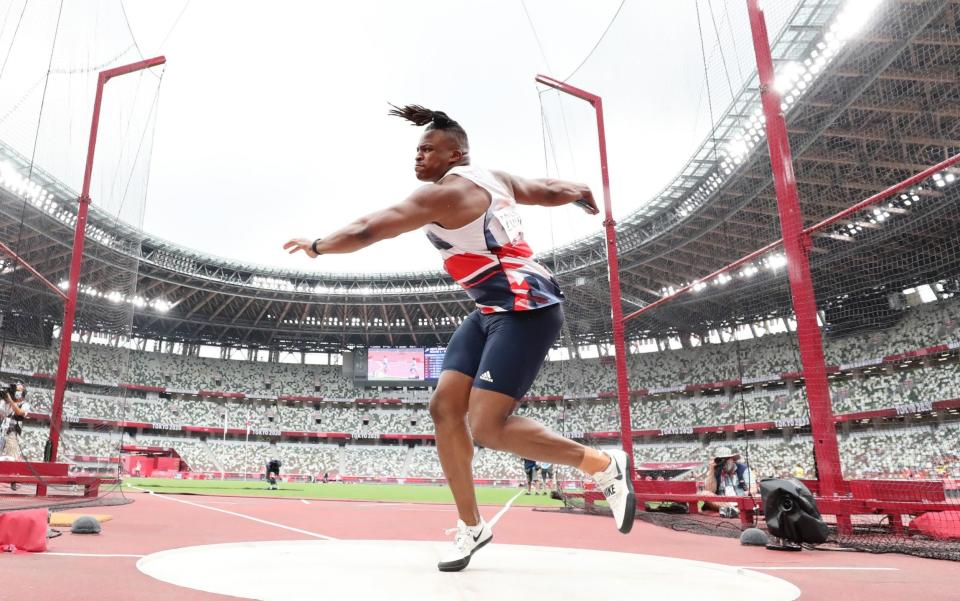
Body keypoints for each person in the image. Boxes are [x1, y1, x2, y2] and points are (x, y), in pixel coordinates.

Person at [284, 104, 636, 572]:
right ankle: (472, 526)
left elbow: (369, 229)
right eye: (416, 150)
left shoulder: (445, 194)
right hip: (489, 310)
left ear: (457, 154)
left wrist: (317, 246)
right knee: (444, 407)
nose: (418, 158)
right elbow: (547, 190)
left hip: (524, 307)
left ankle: (601, 465)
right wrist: (580, 192)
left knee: (488, 427)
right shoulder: (497, 178)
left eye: (428, 149)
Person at [702, 447, 756, 518]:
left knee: (749, 495)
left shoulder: (743, 469)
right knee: (705, 493)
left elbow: (753, 488)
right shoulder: (716, 472)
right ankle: (732, 510)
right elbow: (709, 491)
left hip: (740, 501)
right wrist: (712, 470)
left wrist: (748, 493)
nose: (723, 463)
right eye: (721, 460)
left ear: (732, 459)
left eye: (725, 460)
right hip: (722, 504)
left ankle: (733, 510)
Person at [0, 381, 29, 491]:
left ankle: (14, 481)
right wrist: (4, 400)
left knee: (12, 457)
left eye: (19, 390)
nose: (16, 392)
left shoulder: (25, 405)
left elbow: (18, 412)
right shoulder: (7, 403)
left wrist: (10, 400)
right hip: (2, 431)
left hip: (13, 434)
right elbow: (1, 415)